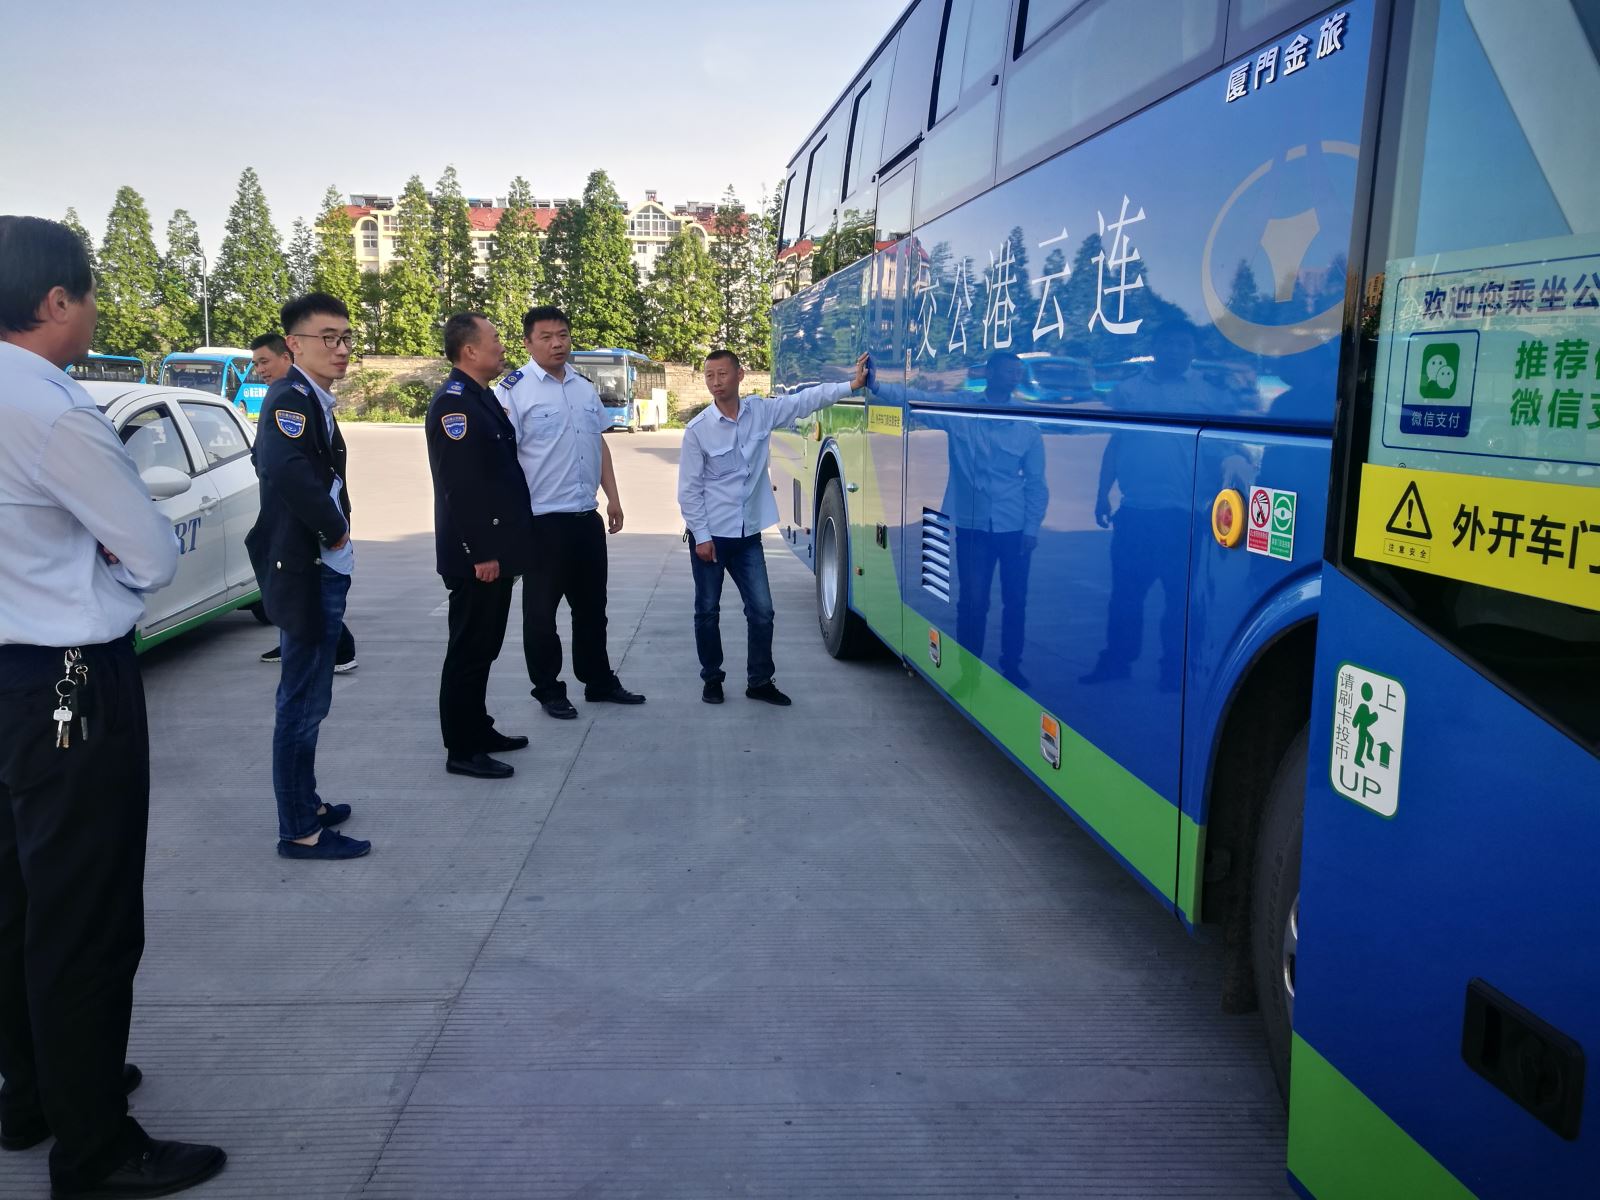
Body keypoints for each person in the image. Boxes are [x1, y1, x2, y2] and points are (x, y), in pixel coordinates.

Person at [0, 215, 226, 1197]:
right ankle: (94, 1147)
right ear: (56, 301)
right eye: (88, 295)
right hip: (67, 681)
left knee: (16, 904)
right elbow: (151, 551)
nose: (92, 311)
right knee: (85, 916)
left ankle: (35, 1093)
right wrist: (101, 564)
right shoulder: (53, 408)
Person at [245, 292, 371, 859]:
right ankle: (299, 829)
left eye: (346, 338)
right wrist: (335, 528)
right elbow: (283, 467)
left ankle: (307, 802)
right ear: (294, 344)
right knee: (301, 703)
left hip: (318, 564)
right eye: (328, 338)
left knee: (310, 699)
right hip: (306, 568)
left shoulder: (312, 397)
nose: (340, 348)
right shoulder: (291, 398)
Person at [678, 349, 869, 704]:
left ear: (739, 375)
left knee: (762, 611)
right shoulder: (698, 430)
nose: (716, 382)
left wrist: (851, 385)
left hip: (747, 535)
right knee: (707, 611)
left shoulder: (761, 412)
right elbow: (688, 490)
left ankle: (760, 681)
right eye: (709, 376)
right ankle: (712, 679)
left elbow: (804, 401)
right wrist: (701, 536)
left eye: (722, 374)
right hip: (711, 537)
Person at [495, 306, 644, 719]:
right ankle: (548, 690)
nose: (557, 343)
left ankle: (598, 681)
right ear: (528, 343)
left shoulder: (582, 386)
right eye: (546, 337)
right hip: (542, 521)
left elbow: (599, 444)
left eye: (562, 335)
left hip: (585, 518)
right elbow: (503, 460)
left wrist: (613, 497)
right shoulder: (513, 391)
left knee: (592, 610)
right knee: (541, 615)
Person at [426, 313, 536, 779]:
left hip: (496, 551)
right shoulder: (454, 406)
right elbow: (462, 488)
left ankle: (479, 728)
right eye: (494, 338)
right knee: (468, 652)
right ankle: (462, 748)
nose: (501, 345)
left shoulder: (480, 397)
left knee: (484, 648)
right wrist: (482, 552)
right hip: (478, 557)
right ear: (469, 350)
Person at [250, 332, 357, 673]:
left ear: (288, 355)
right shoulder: (288, 398)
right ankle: (315, 645)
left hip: (314, 536)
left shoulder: (299, 399)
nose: (260, 370)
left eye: (264, 361)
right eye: (256, 364)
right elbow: (265, 459)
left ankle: (338, 648)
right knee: (304, 633)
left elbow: (304, 470)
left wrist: (334, 529)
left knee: (307, 670)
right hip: (302, 533)